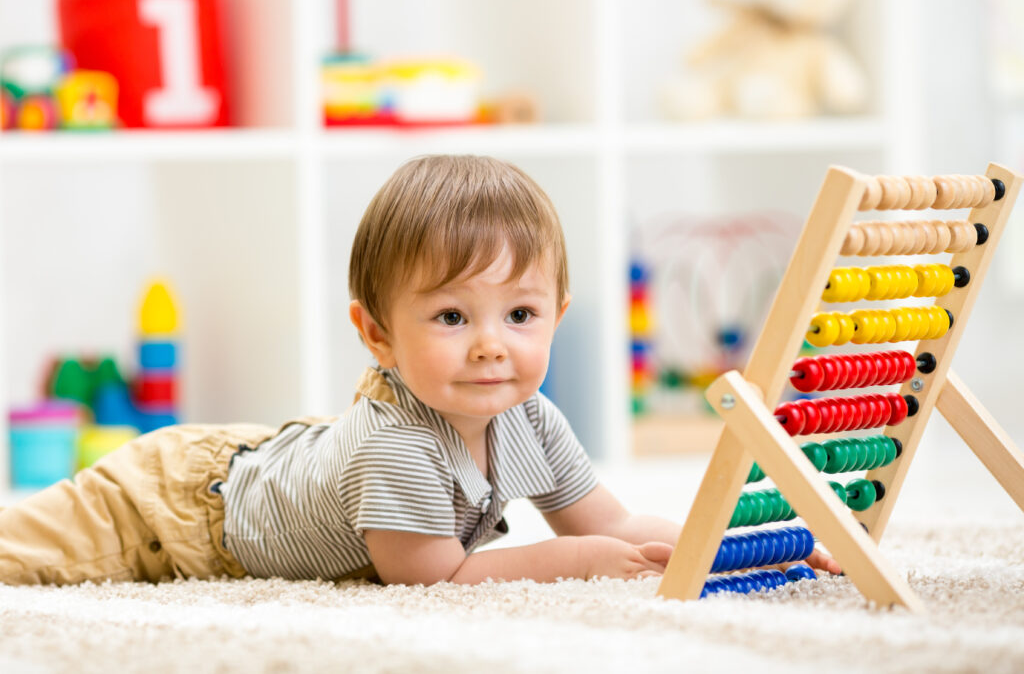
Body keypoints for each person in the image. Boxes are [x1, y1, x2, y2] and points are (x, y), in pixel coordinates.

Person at [0, 155, 840, 586]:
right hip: (171, 507)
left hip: (277, 460)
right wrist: (570, 559)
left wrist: (737, 544)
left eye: (520, 315)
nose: (490, 345)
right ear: (376, 334)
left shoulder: (531, 419)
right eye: (450, 316)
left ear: (559, 317)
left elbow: (613, 521)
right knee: (21, 551)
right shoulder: (401, 443)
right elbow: (439, 577)